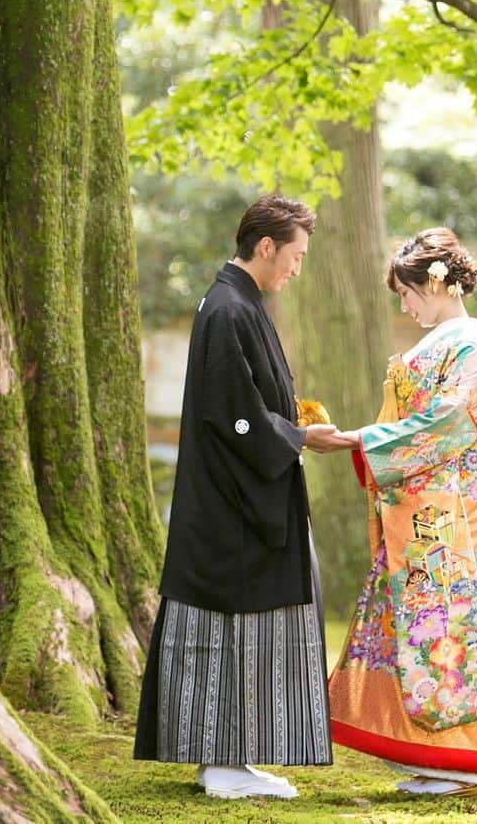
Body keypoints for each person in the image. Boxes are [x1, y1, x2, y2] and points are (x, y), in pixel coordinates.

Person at [134, 194, 358, 800]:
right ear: (266, 247)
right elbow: (233, 415)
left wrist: (294, 426)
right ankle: (222, 764)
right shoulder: (228, 309)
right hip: (230, 507)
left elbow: (250, 403)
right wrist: (298, 437)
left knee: (247, 628)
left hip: (237, 498)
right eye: (296, 256)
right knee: (231, 625)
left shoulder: (238, 302)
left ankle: (233, 759)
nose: (298, 268)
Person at [329, 229, 477, 800]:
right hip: (426, 508)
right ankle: (439, 757)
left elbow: (450, 423)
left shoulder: (467, 345)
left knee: (442, 634)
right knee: (421, 634)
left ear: (434, 284)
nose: (405, 307)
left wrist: (361, 439)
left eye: (406, 294)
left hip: (442, 516)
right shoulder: (452, 343)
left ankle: (467, 761)